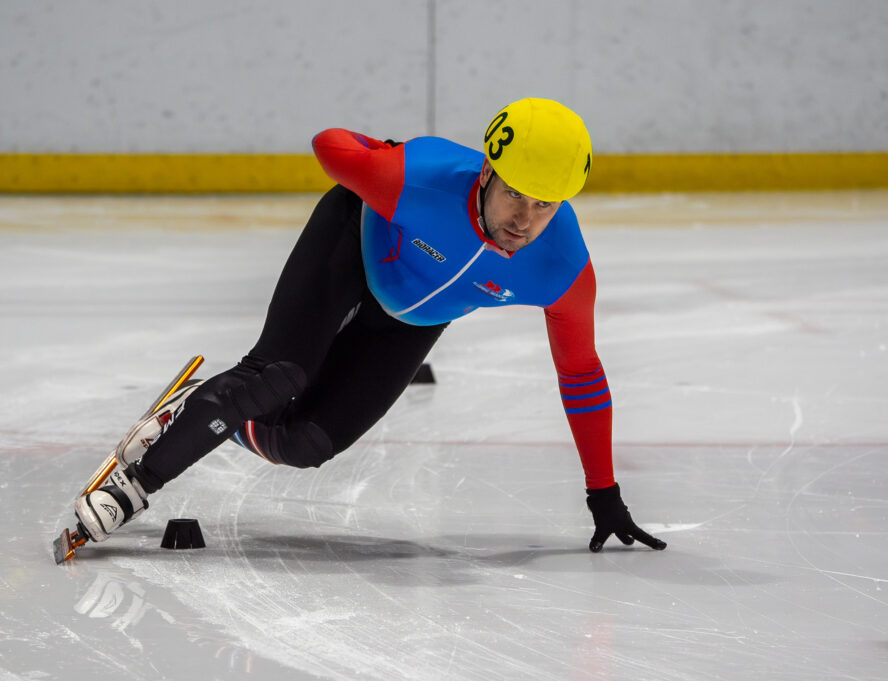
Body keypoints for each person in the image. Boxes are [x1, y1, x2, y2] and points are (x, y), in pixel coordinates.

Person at [73, 98, 666, 554]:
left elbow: (582, 375)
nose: (526, 220)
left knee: (303, 444)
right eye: (517, 194)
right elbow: (330, 145)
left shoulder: (562, 267)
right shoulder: (421, 177)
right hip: (353, 245)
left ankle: (197, 415)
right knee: (280, 373)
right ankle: (135, 483)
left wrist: (603, 493)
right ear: (487, 170)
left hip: (410, 321)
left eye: (546, 205)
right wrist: (379, 149)